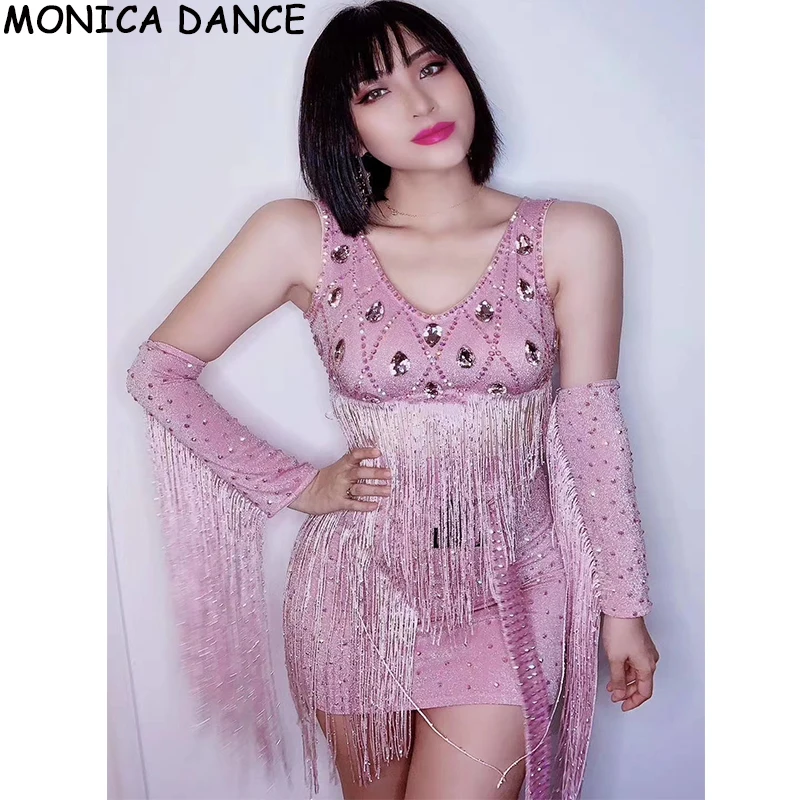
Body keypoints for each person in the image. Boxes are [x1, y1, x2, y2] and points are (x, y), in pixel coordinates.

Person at [125, 2, 660, 798]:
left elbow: (592, 430)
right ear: (344, 130)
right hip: (358, 592)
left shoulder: (574, 234)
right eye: (375, 91)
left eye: (431, 68)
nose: (419, 101)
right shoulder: (301, 236)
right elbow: (158, 373)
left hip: (510, 584)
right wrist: (299, 484)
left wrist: (624, 605)